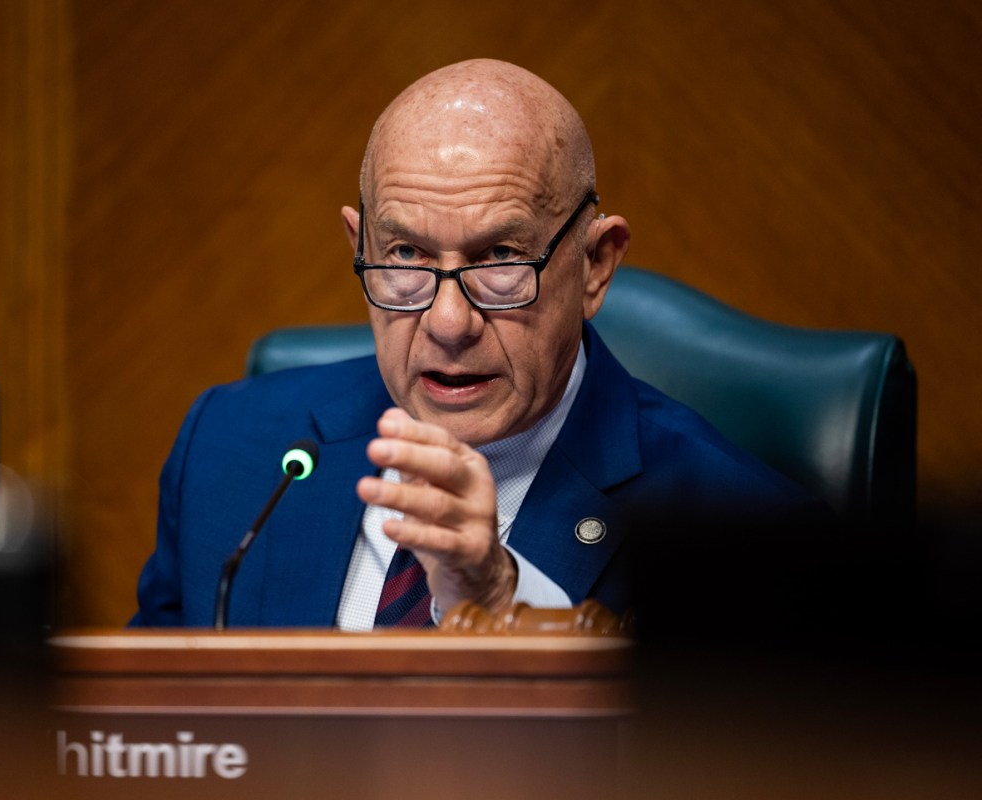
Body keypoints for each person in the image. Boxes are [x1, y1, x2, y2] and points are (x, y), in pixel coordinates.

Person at [130, 59, 824, 630]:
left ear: (595, 266)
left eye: (500, 258)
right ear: (359, 247)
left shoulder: (745, 537)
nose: (449, 322)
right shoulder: (231, 449)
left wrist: (501, 601)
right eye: (405, 254)